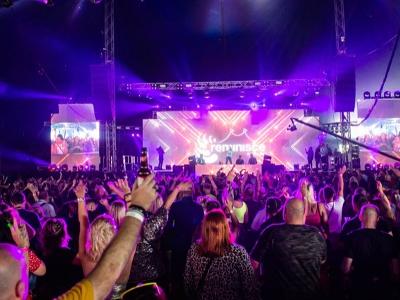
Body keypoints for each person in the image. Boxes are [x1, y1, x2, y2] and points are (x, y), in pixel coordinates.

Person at [251, 198, 327, 300]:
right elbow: (323, 261)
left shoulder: (271, 232)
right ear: (304, 213)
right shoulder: (317, 234)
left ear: (284, 213)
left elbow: (253, 264)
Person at [184, 209, 259, 300]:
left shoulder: (194, 249)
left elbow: (188, 283)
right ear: (225, 228)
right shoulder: (238, 252)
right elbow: (250, 287)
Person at [342, 204, 399, 300]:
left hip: (359, 288)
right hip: (383, 288)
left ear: (360, 217)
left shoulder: (351, 237)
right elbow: (396, 271)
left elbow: (345, 268)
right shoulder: (389, 239)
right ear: (377, 219)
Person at [323, 165, 346, 234]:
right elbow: (340, 189)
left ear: (324, 196)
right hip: (338, 235)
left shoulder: (322, 208)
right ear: (333, 194)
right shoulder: (339, 204)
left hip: (328, 235)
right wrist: (340, 175)